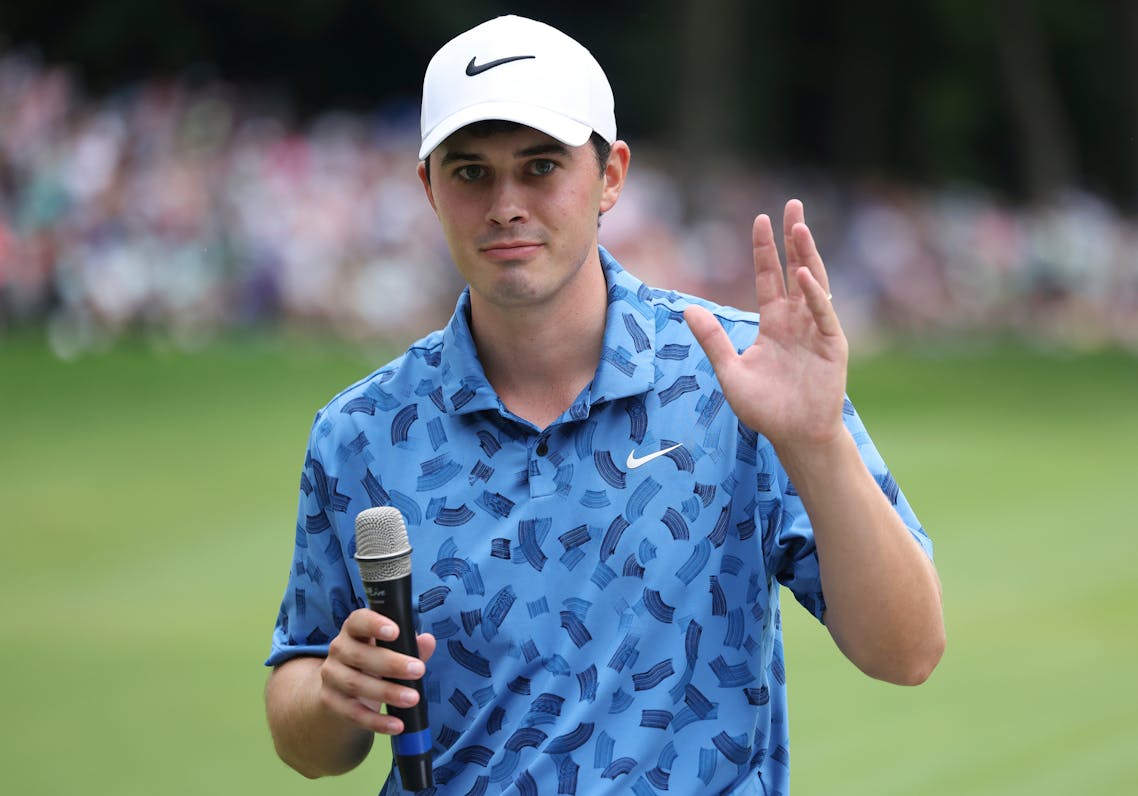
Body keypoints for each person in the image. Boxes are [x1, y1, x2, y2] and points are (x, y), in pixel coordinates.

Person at [264, 14, 945, 795]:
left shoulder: (740, 378)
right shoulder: (362, 432)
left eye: (541, 166)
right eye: (470, 172)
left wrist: (817, 442)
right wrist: (332, 693)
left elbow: (909, 651)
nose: (506, 205)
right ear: (428, 187)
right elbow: (303, 723)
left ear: (611, 176)